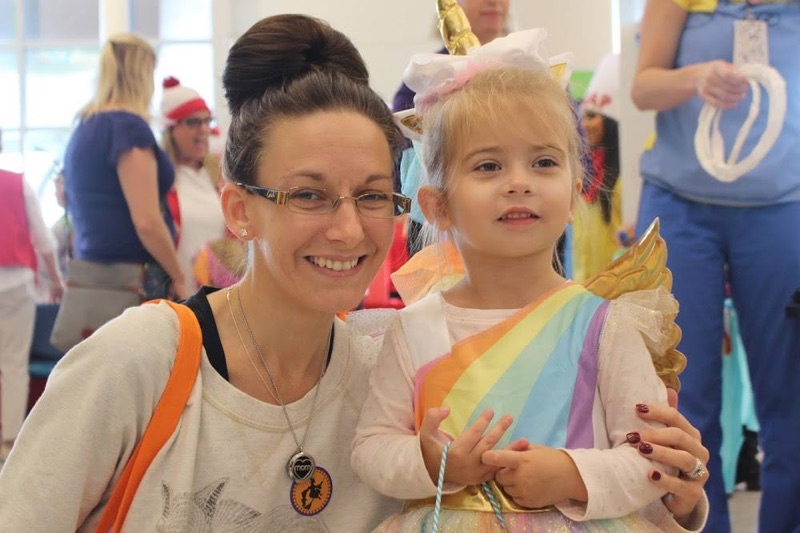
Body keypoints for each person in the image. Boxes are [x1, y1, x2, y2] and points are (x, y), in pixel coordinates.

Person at [0, 14, 411, 530]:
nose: (349, 231)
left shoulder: (389, 377)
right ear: (239, 211)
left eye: (372, 196)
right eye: (309, 195)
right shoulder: (137, 362)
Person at [352, 29, 708, 531]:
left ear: (574, 194)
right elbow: (370, 448)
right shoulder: (414, 329)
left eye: (543, 162)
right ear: (438, 205)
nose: (519, 182)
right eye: (488, 165)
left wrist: (572, 474)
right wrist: (431, 462)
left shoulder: (603, 326)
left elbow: (653, 456)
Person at [631, 1, 800, 531]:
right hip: (682, 205)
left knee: (792, 392)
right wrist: (695, 77)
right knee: (684, 393)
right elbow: (643, 88)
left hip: (784, 205)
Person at [62, 33, 189, 301]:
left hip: (93, 273)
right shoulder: (128, 128)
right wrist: (178, 276)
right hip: (133, 277)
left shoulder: (84, 126)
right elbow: (147, 222)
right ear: (141, 75)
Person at [0, 128, 65, 461]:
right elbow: (43, 238)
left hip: (18, 282)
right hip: (16, 283)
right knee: (13, 362)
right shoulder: (17, 184)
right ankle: (9, 440)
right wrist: (55, 279)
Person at [160, 77, 227, 290]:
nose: (204, 129)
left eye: (207, 121)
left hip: (216, 294)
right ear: (171, 130)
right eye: (193, 122)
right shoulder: (159, 180)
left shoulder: (217, 177)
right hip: (175, 294)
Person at [572, 53, 623, 282]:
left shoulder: (624, 182)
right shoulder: (584, 175)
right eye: (583, 117)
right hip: (584, 287)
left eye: (592, 116)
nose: (584, 124)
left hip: (617, 289)